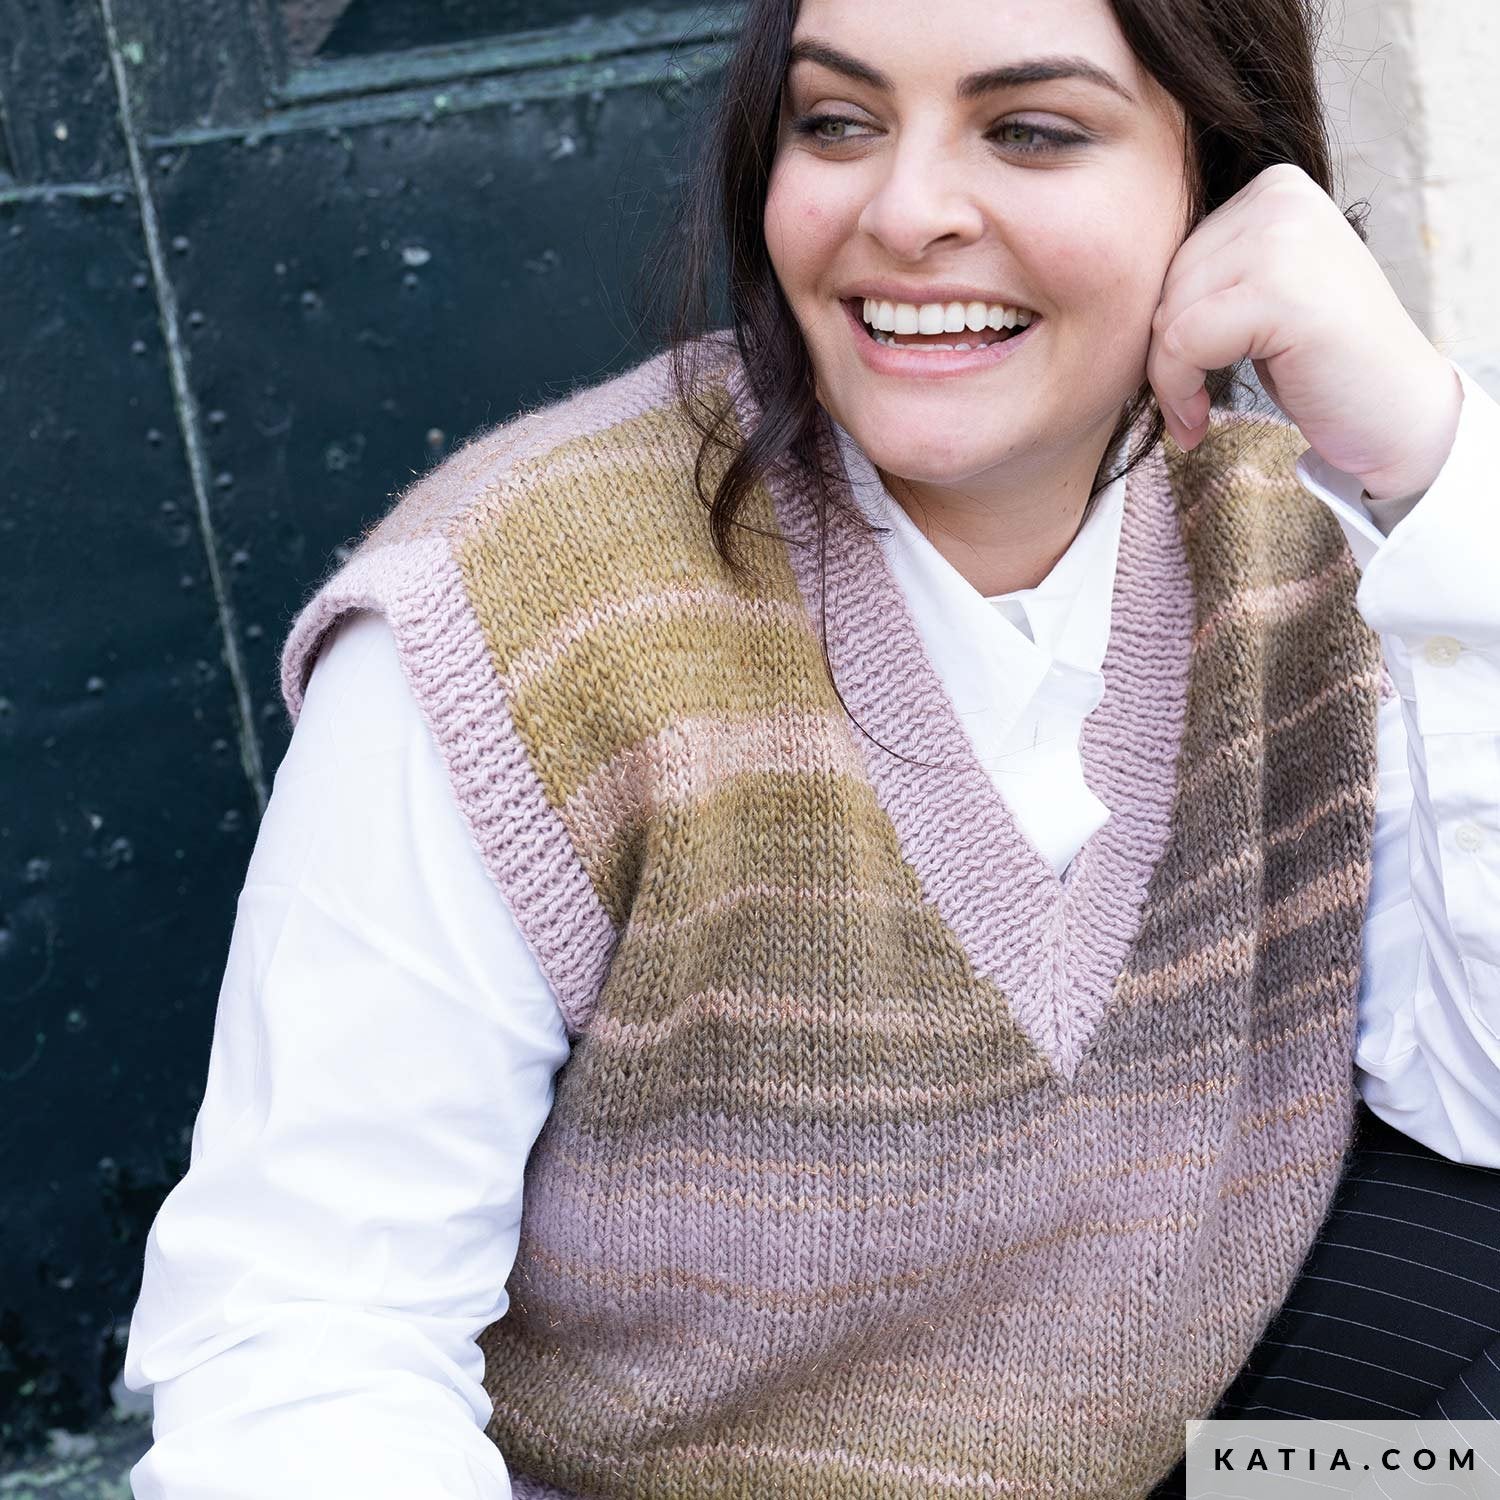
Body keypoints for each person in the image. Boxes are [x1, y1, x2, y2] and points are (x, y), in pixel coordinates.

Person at [122, 0, 1500, 1495]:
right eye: (837, 122)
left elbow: (1474, 1092)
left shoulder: (1308, 536)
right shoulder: (520, 609)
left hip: (1197, 1463)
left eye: (1031, 131)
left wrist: (1435, 474)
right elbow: (305, 1330)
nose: (902, 213)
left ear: (1225, 184)